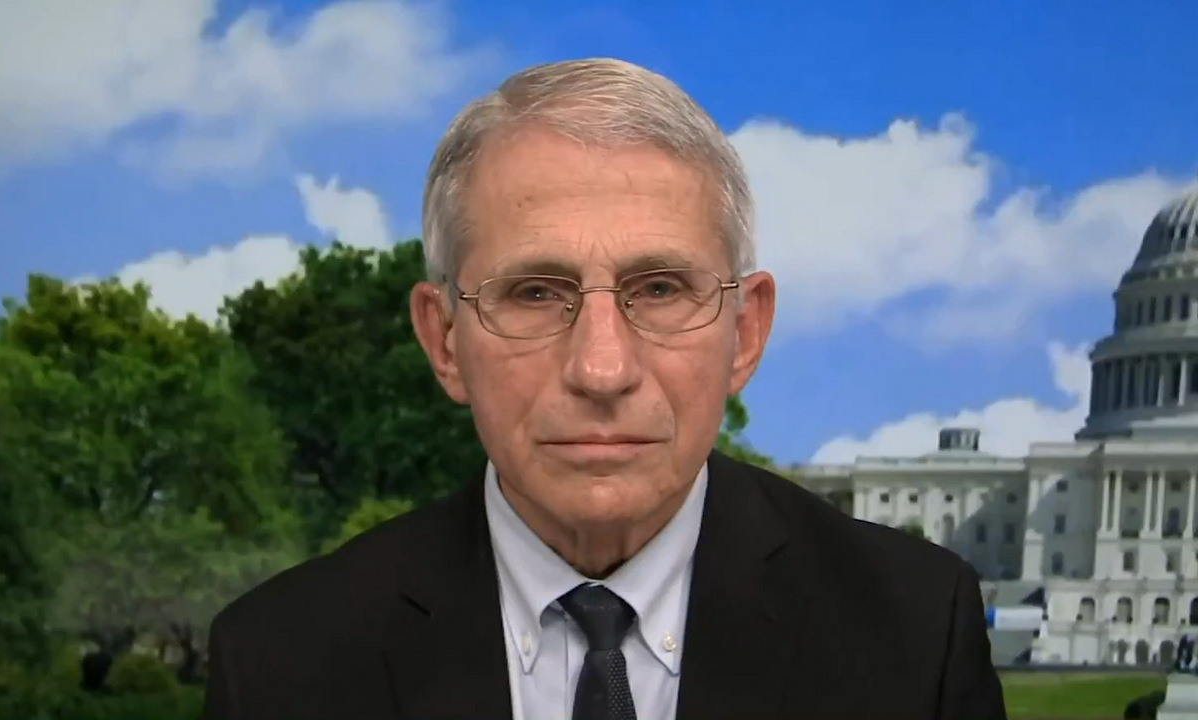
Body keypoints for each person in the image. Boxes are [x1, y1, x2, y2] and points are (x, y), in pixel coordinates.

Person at [203, 57, 1007, 720]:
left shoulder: (914, 636)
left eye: (659, 289)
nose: (601, 370)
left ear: (746, 333)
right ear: (444, 339)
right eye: (534, 293)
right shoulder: (278, 665)